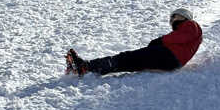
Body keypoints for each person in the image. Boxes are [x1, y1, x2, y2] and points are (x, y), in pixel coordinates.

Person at [66, 7, 202, 77]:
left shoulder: (191, 25)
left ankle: (86, 66)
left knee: (127, 57)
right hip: (170, 61)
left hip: (168, 56)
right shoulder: (184, 31)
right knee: (129, 62)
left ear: (185, 16)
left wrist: (161, 40)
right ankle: (88, 69)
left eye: (174, 15)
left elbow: (183, 37)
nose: (171, 19)